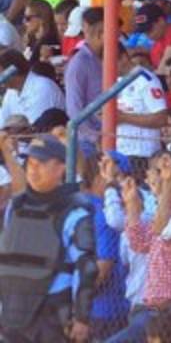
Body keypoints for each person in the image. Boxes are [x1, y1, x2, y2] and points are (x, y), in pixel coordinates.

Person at [0, 134, 97, 343]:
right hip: (11, 313)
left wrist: (81, 317)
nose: (33, 170)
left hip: (51, 314)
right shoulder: (15, 206)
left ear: (61, 168)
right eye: (31, 163)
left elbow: (86, 267)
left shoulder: (75, 211)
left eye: (41, 164)